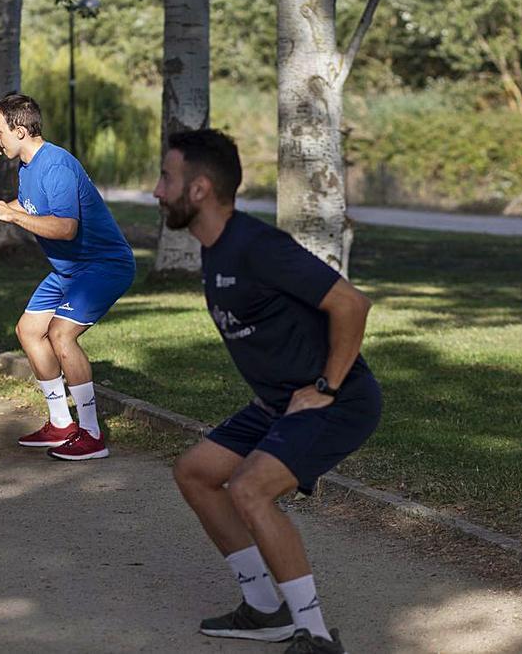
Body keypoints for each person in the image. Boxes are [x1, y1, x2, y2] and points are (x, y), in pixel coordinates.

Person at [157, 129, 381, 654]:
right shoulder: (214, 251)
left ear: (199, 190)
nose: (157, 191)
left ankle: (317, 637)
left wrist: (327, 385)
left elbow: (352, 304)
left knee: (250, 490)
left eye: (167, 178)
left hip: (338, 399)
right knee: (196, 472)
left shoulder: (258, 246)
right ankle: (264, 609)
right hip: (280, 401)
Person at [0, 94, 135, 461]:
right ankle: (61, 424)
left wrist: (13, 218)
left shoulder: (56, 166)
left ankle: (92, 434)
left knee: (61, 334)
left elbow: (66, 227)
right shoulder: (27, 166)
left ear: (20, 131)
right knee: (28, 330)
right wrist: (5, 207)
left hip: (103, 266)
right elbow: (34, 207)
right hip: (68, 270)